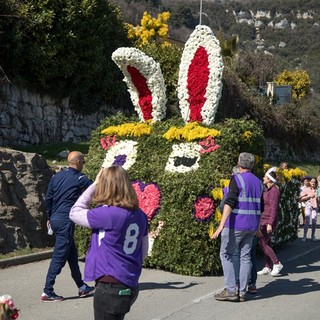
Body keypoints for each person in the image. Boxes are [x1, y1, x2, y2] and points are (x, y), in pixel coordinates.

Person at [70, 165, 149, 320]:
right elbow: (144, 252)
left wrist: (94, 184)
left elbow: (75, 212)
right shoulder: (140, 215)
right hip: (130, 284)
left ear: (106, 186)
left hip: (109, 286)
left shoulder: (108, 214)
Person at [41, 151, 94, 302]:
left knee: (71, 253)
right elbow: (94, 190)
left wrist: (49, 217)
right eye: (83, 162)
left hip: (55, 220)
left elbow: (48, 198)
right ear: (77, 162)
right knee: (59, 256)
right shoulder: (80, 178)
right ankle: (47, 291)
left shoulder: (56, 177)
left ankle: (81, 286)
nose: (83, 164)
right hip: (66, 221)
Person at [212, 152, 263, 302]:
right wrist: (258, 227)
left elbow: (230, 202)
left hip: (236, 224)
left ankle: (231, 289)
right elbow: (261, 207)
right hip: (252, 225)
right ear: (252, 165)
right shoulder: (259, 182)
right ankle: (242, 292)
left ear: (239, 163)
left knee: (226, 254)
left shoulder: (237, 178)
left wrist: (221, 225)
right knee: (245, 257)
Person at [257, 169, 283, 277]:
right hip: (264, 219)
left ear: (269, 179)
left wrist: (270, 224)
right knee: (267, 243)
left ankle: (277, 263)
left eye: (264, 177)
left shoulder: (274, 191)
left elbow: (274, 209)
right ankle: (267, 266)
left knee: (262, 242)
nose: (263, 178)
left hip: (269, 220)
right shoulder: (267, 190)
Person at [300, 177, 318, 241]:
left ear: (316, 183)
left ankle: (313, 236)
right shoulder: (306, 189)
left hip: (315, 207)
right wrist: (309, 196)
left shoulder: (318, 190)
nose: (313, 183)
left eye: (314, 182)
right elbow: (301, 199)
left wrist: (318, 198)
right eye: (312, 182)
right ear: (310, 182)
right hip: (308, 206)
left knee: (314, 222)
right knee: (307, 221)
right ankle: (304, 236)